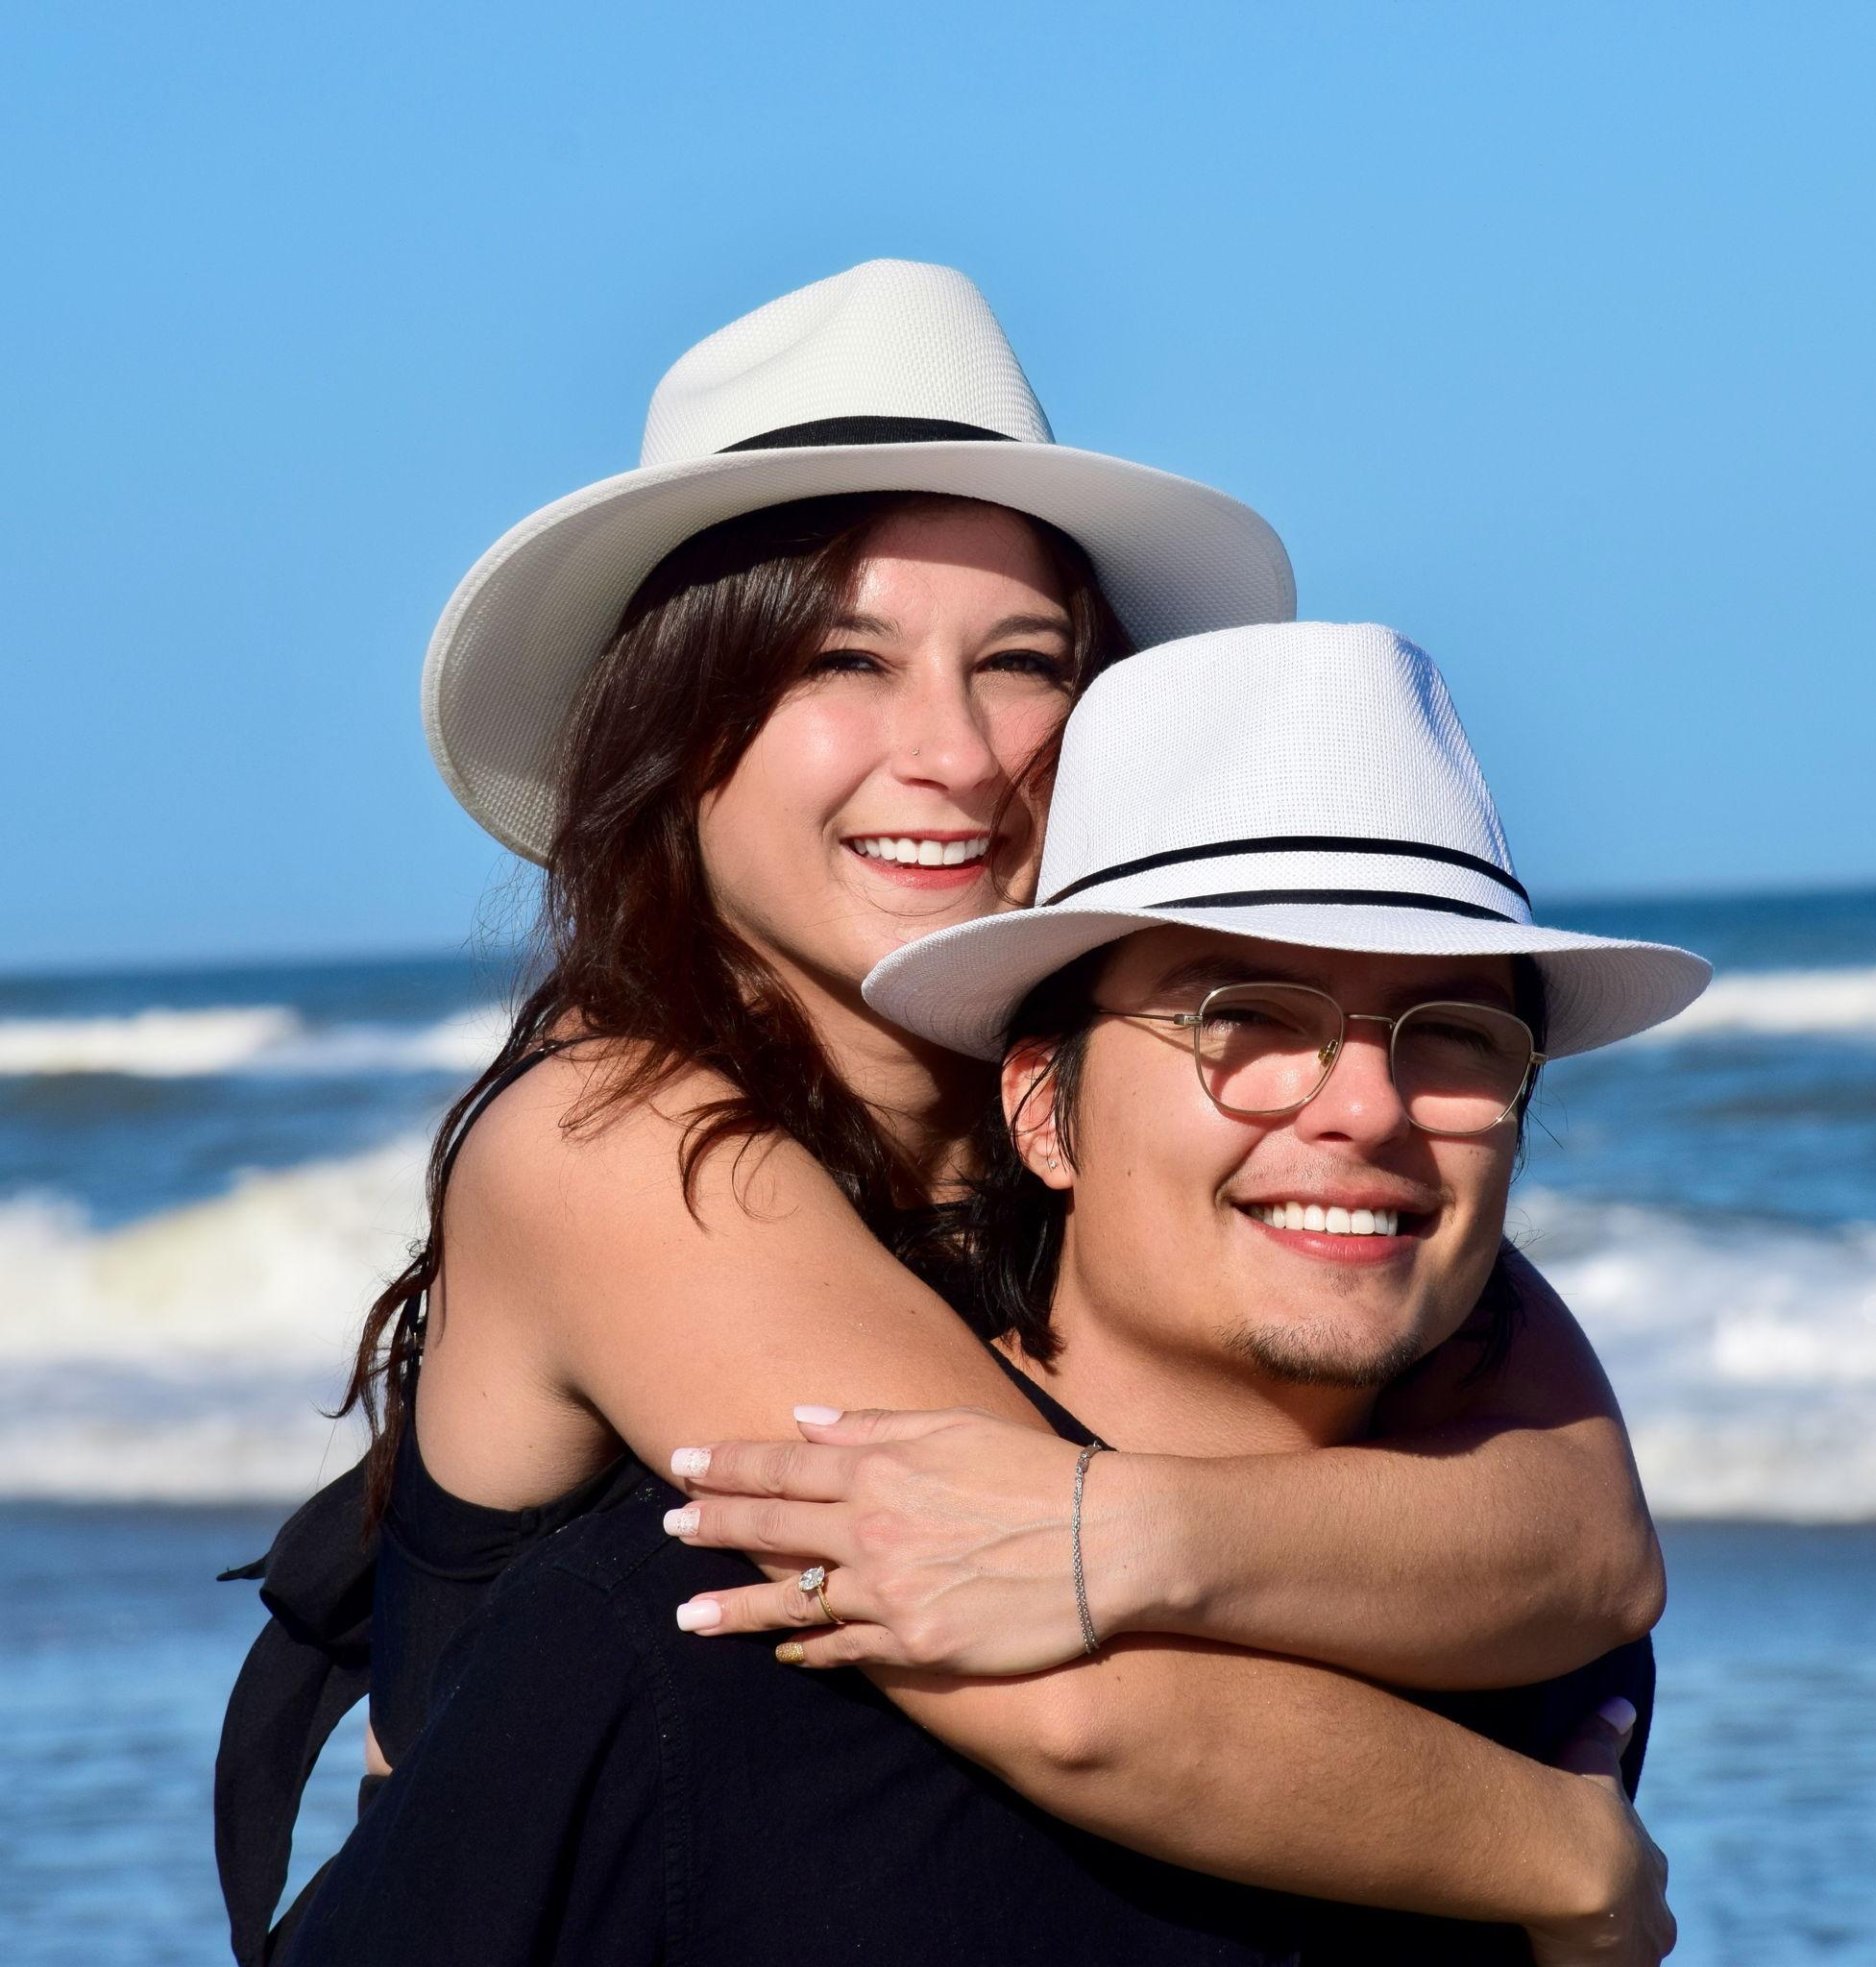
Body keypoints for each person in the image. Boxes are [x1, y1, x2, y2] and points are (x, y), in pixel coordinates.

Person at [216, 263, 1673, 1955]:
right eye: (844, 658)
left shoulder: (1139, 1100)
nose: (959, 755)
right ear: (678, 722)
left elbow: (1578, 1541)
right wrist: (1563, 1859)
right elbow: (1063, 1693)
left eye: (1023, 663)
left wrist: (1122, 1528)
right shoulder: (618, 1140)